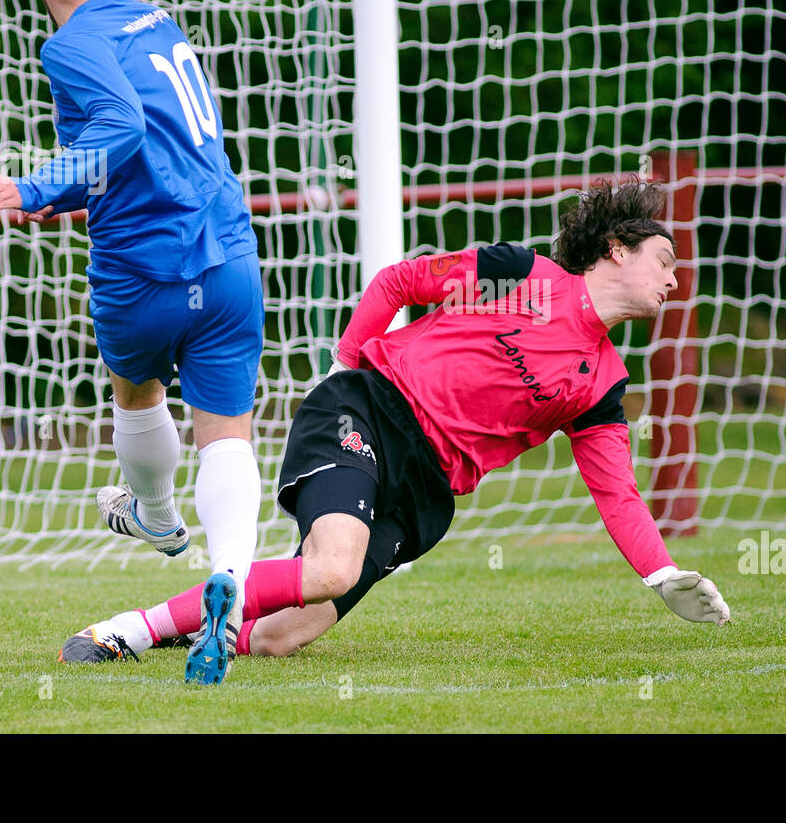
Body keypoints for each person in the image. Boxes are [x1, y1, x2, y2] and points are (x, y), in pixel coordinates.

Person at [58, 178, 730, 668]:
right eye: (665, 261)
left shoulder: (604, 386)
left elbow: (619, 496)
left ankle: (201, 620)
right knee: (331, 569)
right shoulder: (524, 274)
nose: (674, 280)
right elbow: (400, 282)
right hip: (369, 411)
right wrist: (346, 366)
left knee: (278, 637)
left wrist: (660, 574)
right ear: (617, 248)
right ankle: (123, 632)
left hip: (425, 495)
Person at [0, 0, 262, 684]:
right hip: (226, 257)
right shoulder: (157, 21)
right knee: (227, 432)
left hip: (141, 270)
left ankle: (158, 520)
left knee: (136, 390)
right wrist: (56, 195)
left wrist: (34, 181)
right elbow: (136, 146)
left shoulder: (67, 46)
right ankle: (226, 577)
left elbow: (121, 130)